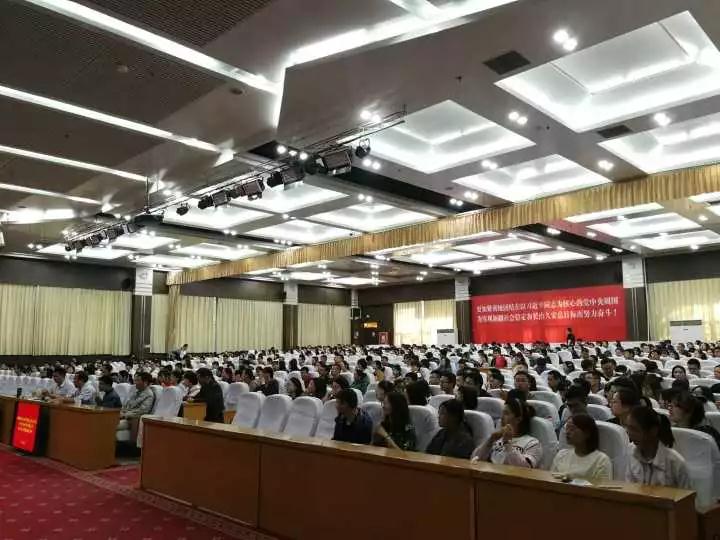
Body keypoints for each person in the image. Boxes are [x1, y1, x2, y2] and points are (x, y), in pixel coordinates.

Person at [625, 406, 691, 489]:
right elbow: (629, 488)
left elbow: (687, 495)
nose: (629, 433)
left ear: (653, 431)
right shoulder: (631, 451)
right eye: (628, 428)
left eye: (634, 429)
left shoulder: (675, 462)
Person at [471, 398, 542, 468]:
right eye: (502, 413)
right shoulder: (497, 439)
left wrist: (507, 443)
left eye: (506, 413)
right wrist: (490, 440)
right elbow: (474, 459)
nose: (501, 417)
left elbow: (525, 468)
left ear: (518, 419)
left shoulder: (532, 443)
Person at [551, 414, 612, 483]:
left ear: (587, 433)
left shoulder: (601, 460)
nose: (567, 432)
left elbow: (603, 488)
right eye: (567, 428)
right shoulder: (561, 454)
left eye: (572, 429)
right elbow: (550, 480)